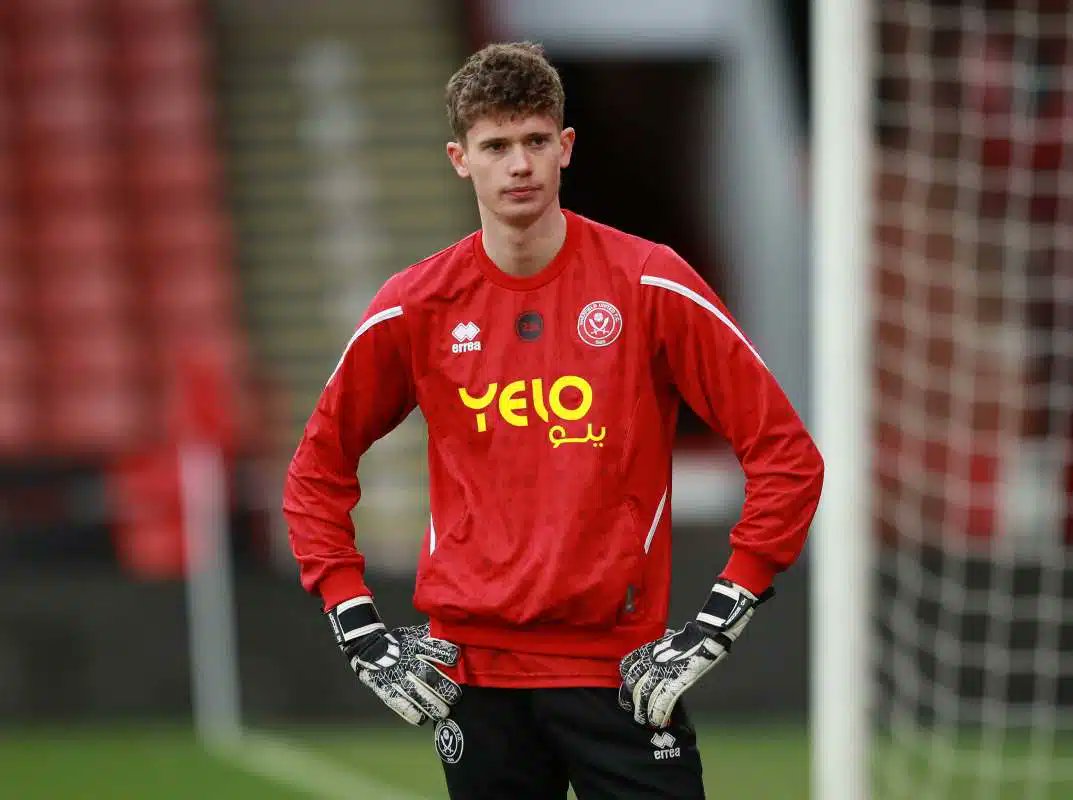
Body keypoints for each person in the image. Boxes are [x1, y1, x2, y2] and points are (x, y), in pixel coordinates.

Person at [284, 41, 824, 800]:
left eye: (535, 140)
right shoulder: (415, 306)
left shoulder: (650, 283)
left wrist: (719, 618)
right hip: (473, 677)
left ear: (565, 148)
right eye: (495, 145)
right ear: (458, 159)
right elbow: (317, 469)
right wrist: (357, 623)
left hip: (624, 676)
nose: (519, 165)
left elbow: (786, 458)